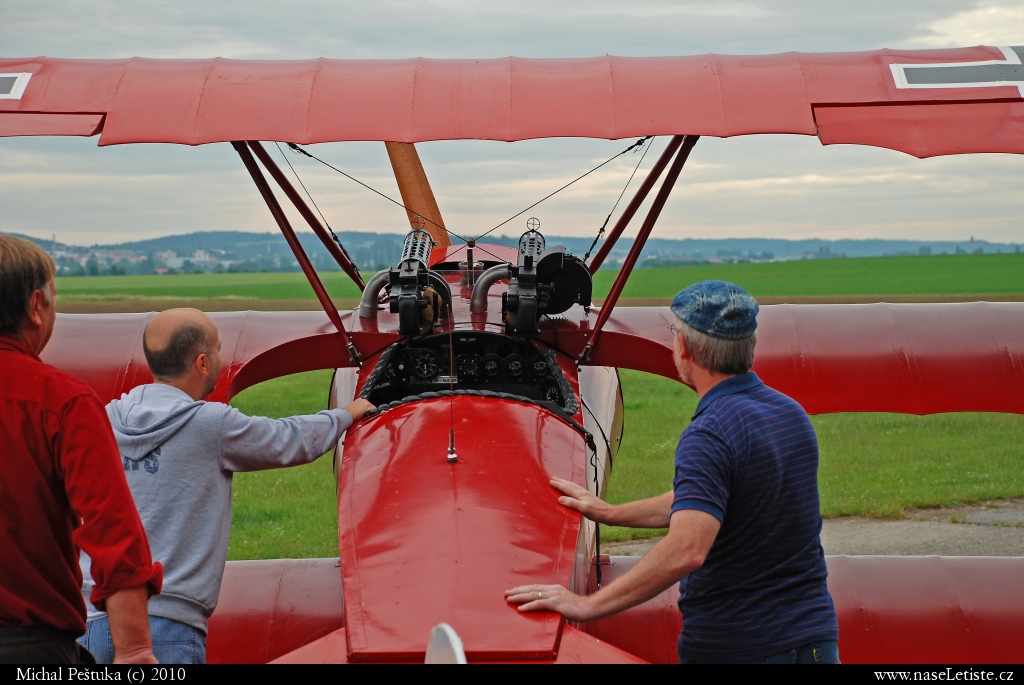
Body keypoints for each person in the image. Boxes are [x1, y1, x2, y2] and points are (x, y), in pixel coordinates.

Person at [506, 280, 839, 664]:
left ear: (685, 349)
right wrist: (610, 513)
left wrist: (586, 605)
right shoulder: (789, 414)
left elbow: (688, 548)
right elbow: (707, 498)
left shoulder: (710, 433)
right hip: (815, 641)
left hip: (740, 647)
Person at [77, 307, 374, 664]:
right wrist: (348, 412)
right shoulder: (210, 424)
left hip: (92, 622)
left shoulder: (104, 418)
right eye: (217, 349)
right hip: (169, 627)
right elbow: (288, 440)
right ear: (202, 363)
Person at [0, 235, 163, 664]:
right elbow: (112, 529)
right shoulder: (61, 400)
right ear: (36, 306)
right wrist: (135, 650)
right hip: (29, 647)